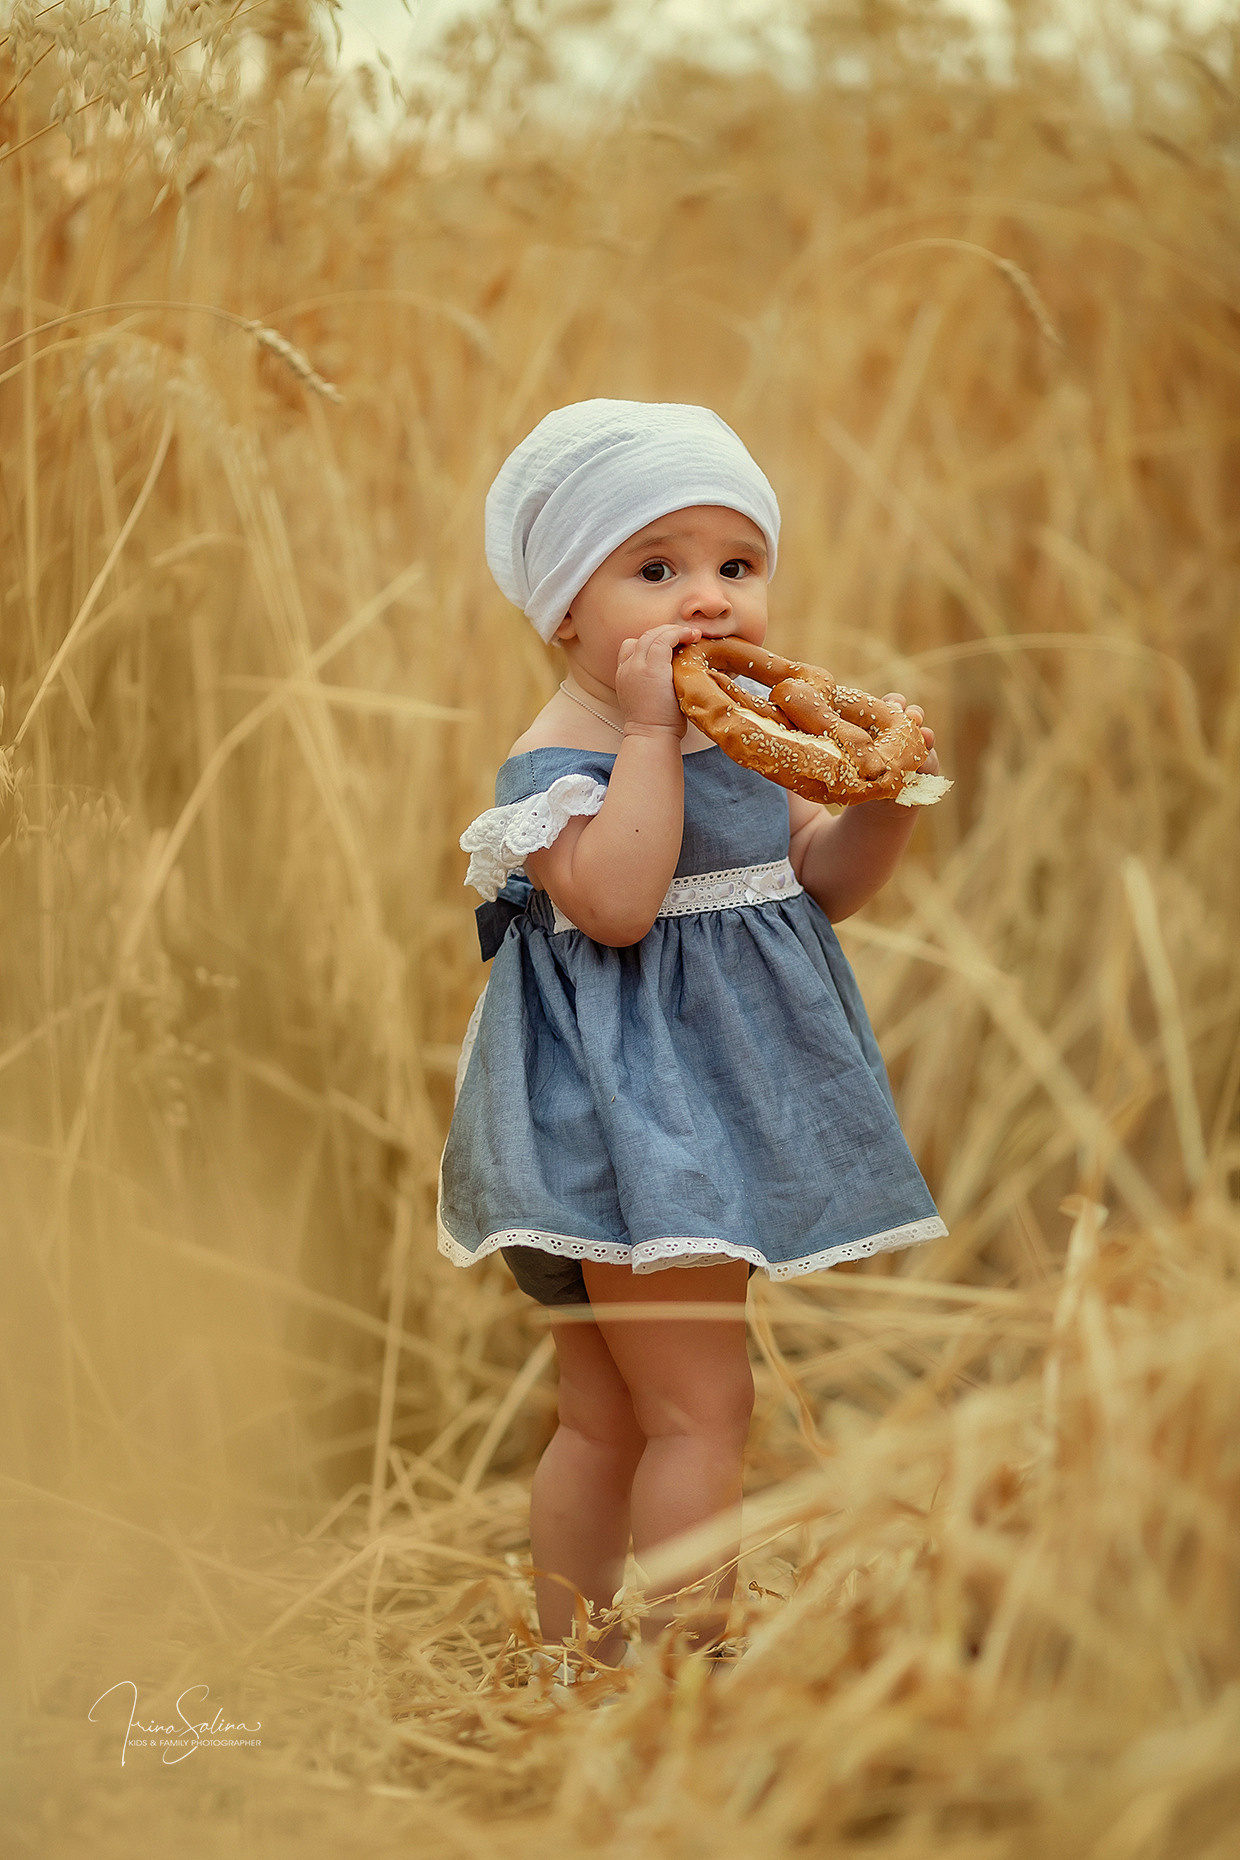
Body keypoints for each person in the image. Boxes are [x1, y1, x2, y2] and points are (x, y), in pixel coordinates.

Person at [437, 400, 947, 1670]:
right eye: (655, 569)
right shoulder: (555, 762)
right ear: (565, 611)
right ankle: (676, 1672)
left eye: (737, 565)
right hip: (628, 1122)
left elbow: (810, 887)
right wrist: (654, 737)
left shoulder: (746, 739)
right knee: (698, 1410)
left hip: (708, 1100)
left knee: (615, 1411)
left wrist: (879, 804)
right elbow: (613, 906)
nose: (707, 600)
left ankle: (579, 1665)